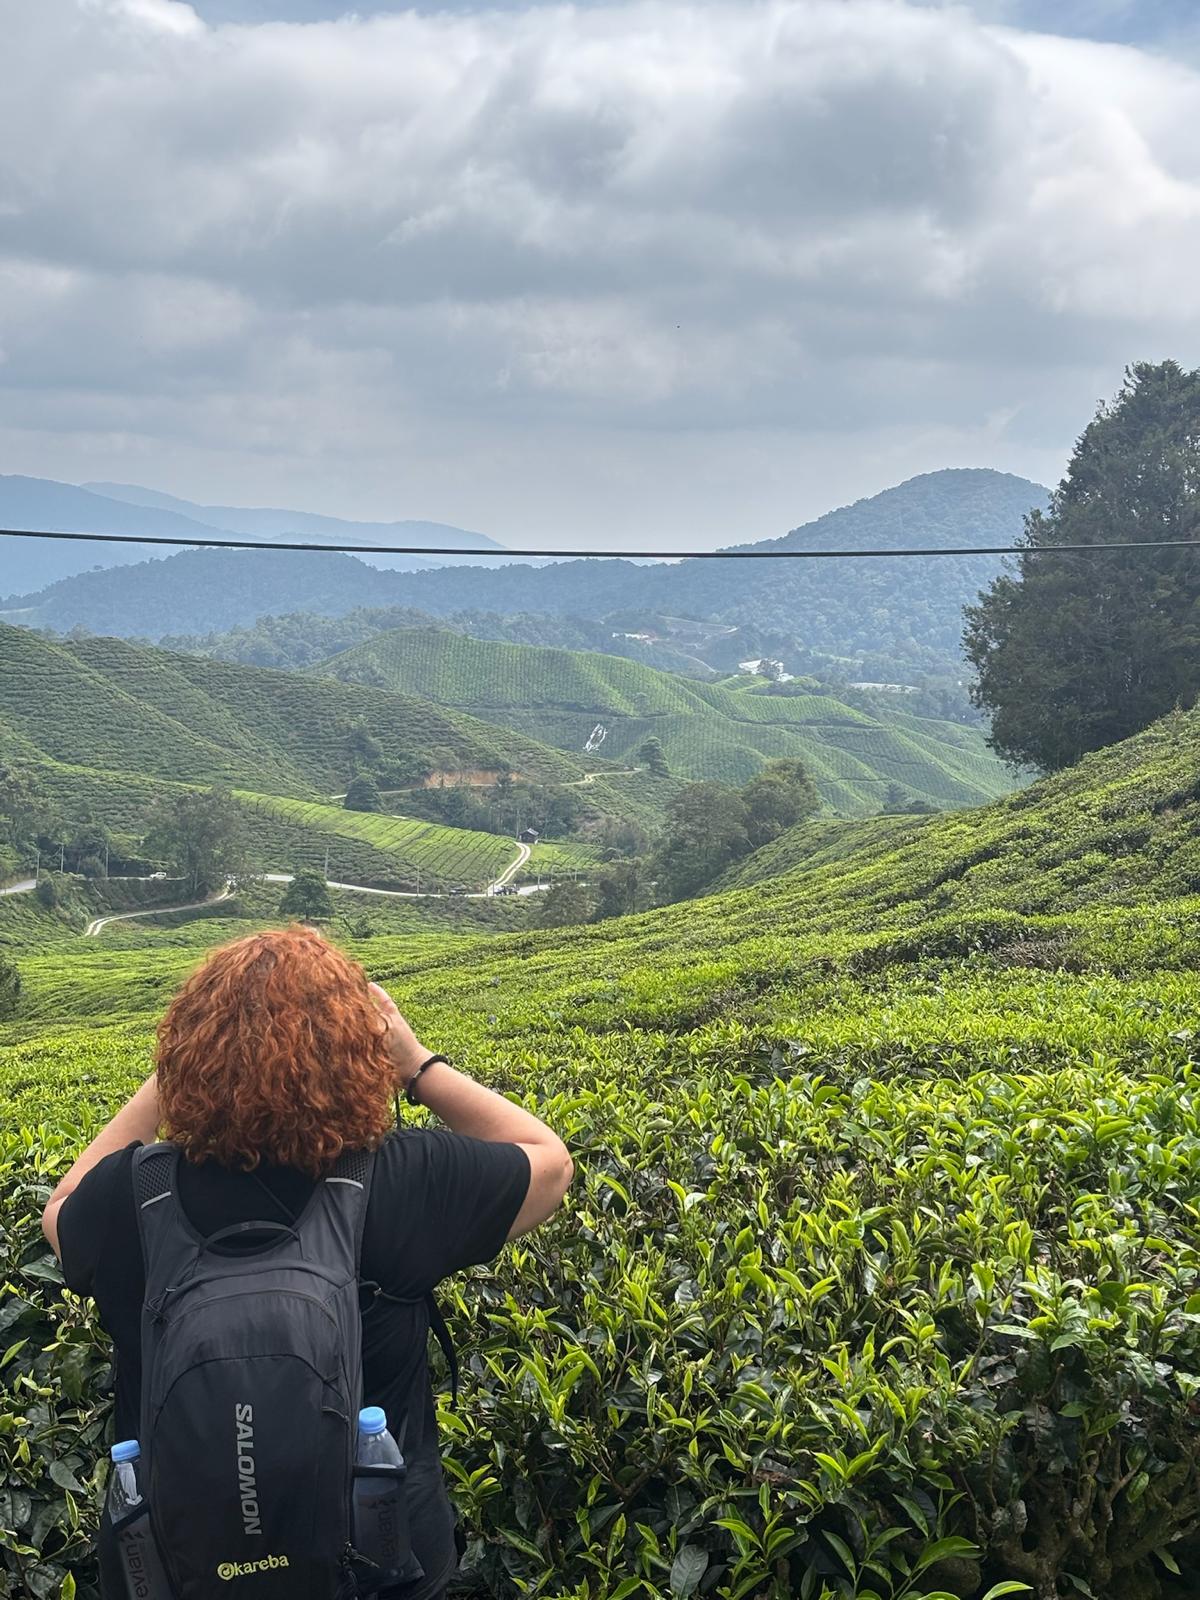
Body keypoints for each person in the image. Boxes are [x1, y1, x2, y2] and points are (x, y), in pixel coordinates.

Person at [41, 924, 574, 1600]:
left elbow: (59, 1208)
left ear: (187, 1055)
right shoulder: (399, 1181)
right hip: (384, 1564)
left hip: (177, 1571)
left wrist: (172, 1080)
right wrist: (417, 1066)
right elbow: (551, 1164)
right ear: (361, 1052)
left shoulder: (131, 1200)